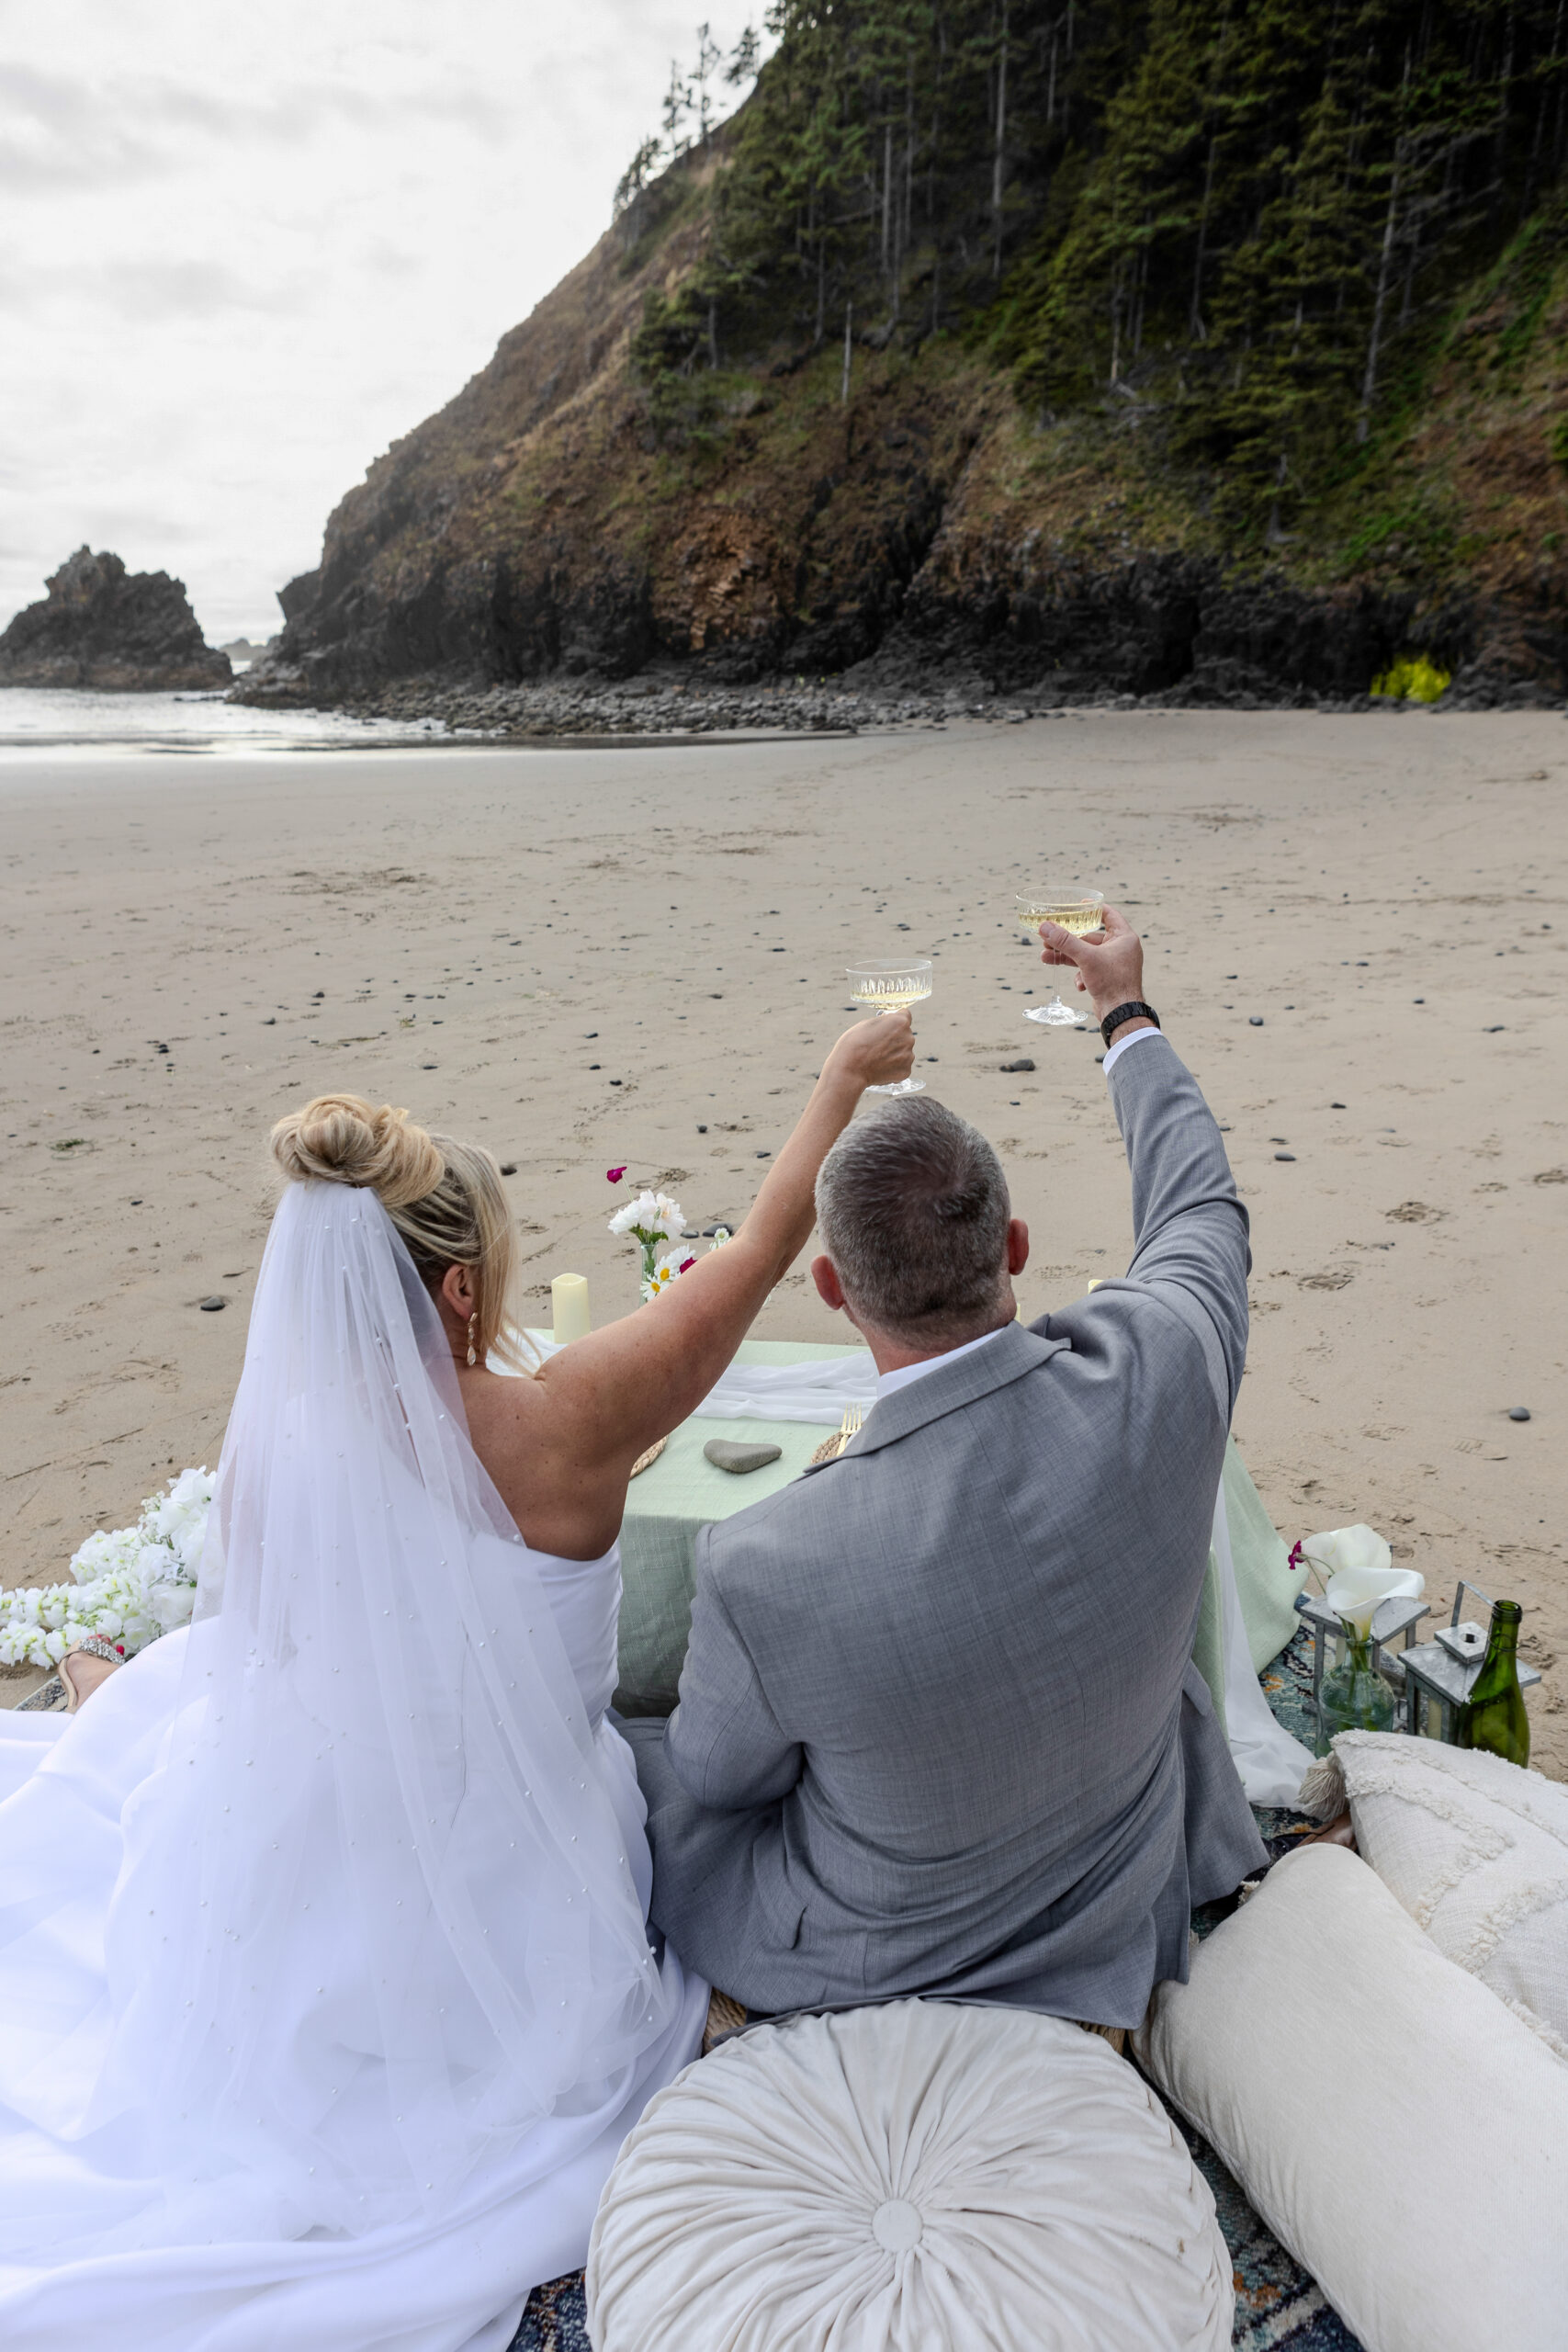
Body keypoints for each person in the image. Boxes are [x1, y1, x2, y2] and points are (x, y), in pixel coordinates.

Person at [0, 1008, 912, 2352]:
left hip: (302, 1858)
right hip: (522, 1880)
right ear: (462, 1294)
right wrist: (838, 1078)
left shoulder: (269, 1459)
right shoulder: (568, 1421)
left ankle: (97, 1687)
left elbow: (295, 1665)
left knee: (169, 1709)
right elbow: (765, 1248)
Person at [626, 909, 1269, 2030]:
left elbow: (723, 1780)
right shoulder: (1164, 1366)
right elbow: (1201, 1206)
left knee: (629, 1754)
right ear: (1013, 1248)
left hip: (883, 1957)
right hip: (1118, 1901)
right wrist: (1122, 1011)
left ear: (831, 1290)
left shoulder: (767, 1559)